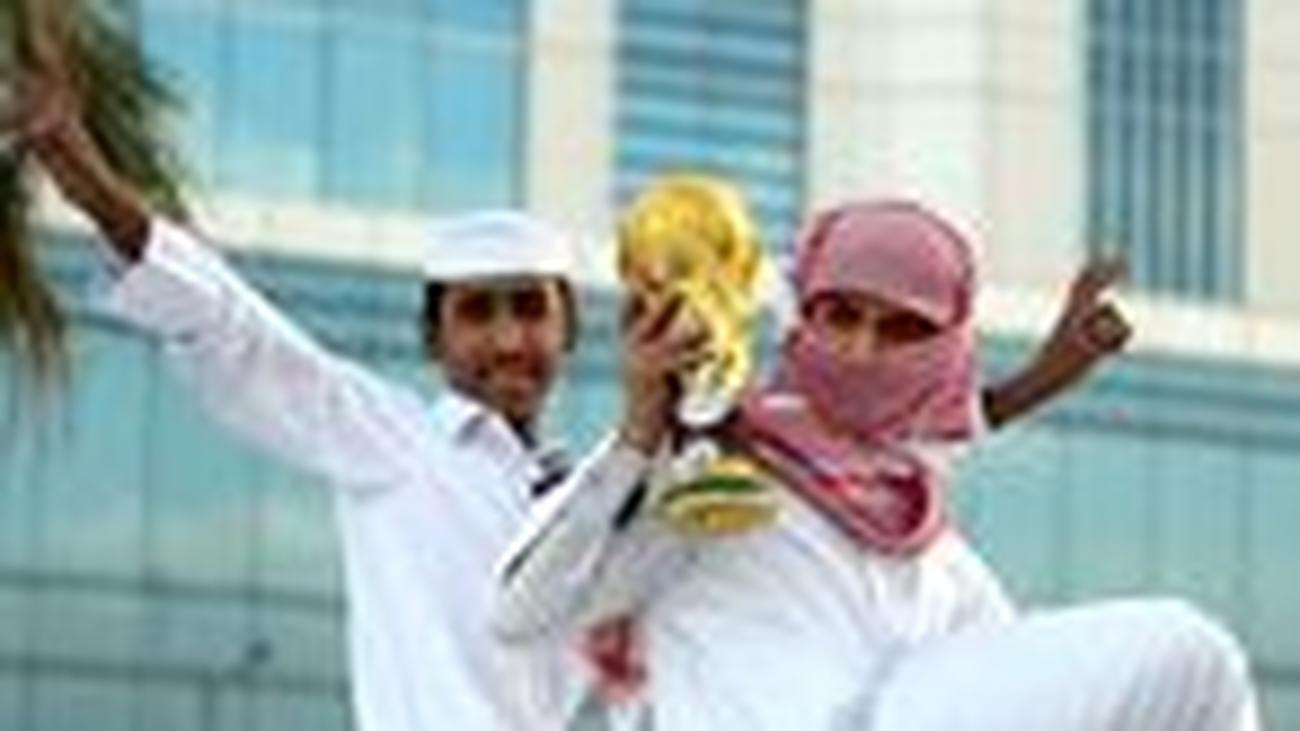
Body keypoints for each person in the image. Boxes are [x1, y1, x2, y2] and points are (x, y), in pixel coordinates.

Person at [13, 49, 703, 730]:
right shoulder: (394, 441)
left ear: (569, 328)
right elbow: (240, 335)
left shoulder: (592, 493)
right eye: (476, 313)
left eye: (529, 309)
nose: (506, 341)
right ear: (432, 338)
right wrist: (90, 182)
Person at [495, 200, 1260, 730]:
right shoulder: (713, 470)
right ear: (803, 313)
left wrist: (1047, 371)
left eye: (900, 329)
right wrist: (640, 429)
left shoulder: (933, 547)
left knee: (1196, 664)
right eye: (841, 315)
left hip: (897, 704)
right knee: (1188, 646)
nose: (862, 351)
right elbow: (523, 612)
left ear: (945, 350)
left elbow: (1022, 683)